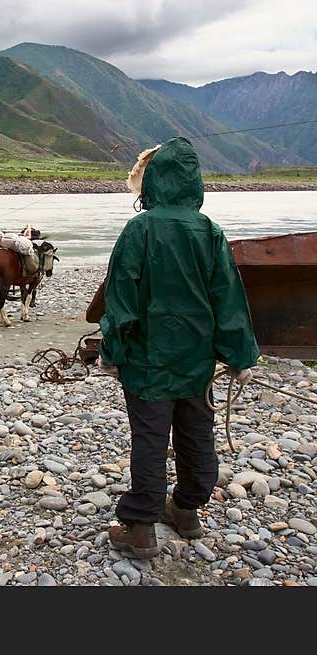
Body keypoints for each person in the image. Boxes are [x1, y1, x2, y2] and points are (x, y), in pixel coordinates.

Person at [98, 137, 260, 559]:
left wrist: (112, 352)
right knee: (197, 436)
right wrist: (241, 355)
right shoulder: (210, 231)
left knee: (150, 440)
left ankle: (141, 528)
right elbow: (228, 298)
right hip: (197, 365)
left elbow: (121, 298)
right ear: (192, 182)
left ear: (154, 181)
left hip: (148, 365)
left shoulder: (139, 229)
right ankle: (187, 509)